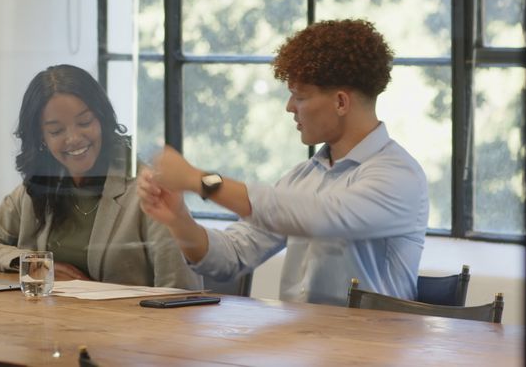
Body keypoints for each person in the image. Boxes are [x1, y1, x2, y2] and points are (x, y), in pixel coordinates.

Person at [137, 19, 428, 305]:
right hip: (303, 344)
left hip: (374, 348)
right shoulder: (303, 177)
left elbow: (320, 217)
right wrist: (179, 220)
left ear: (341, 102)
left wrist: (200, 181)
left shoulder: (398, 176)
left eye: (299, 96)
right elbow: (231, 257)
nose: (290, 107)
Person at [0, 64, 201, 289]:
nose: (73, 138)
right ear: (42, 138)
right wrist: (37, 265)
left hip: (127, 331)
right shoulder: (40, 186)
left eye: (84, 122)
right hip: (50, 328)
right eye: (56, 130)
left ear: (102, 120)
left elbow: (181, 291)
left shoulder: (148, 190)